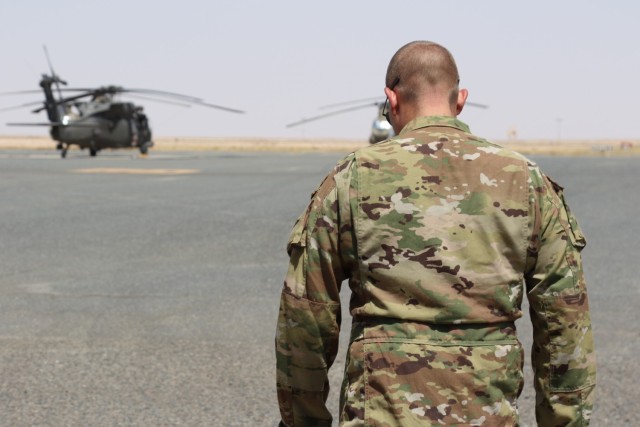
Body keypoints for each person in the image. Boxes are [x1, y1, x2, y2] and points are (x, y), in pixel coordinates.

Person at [275, 41, 596, 426]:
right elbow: (564, 319)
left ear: (391, 99)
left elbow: (306, 314)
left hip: (381, 412)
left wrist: (303, 421)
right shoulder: (526, 180)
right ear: (460, 100)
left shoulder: (352, 178)